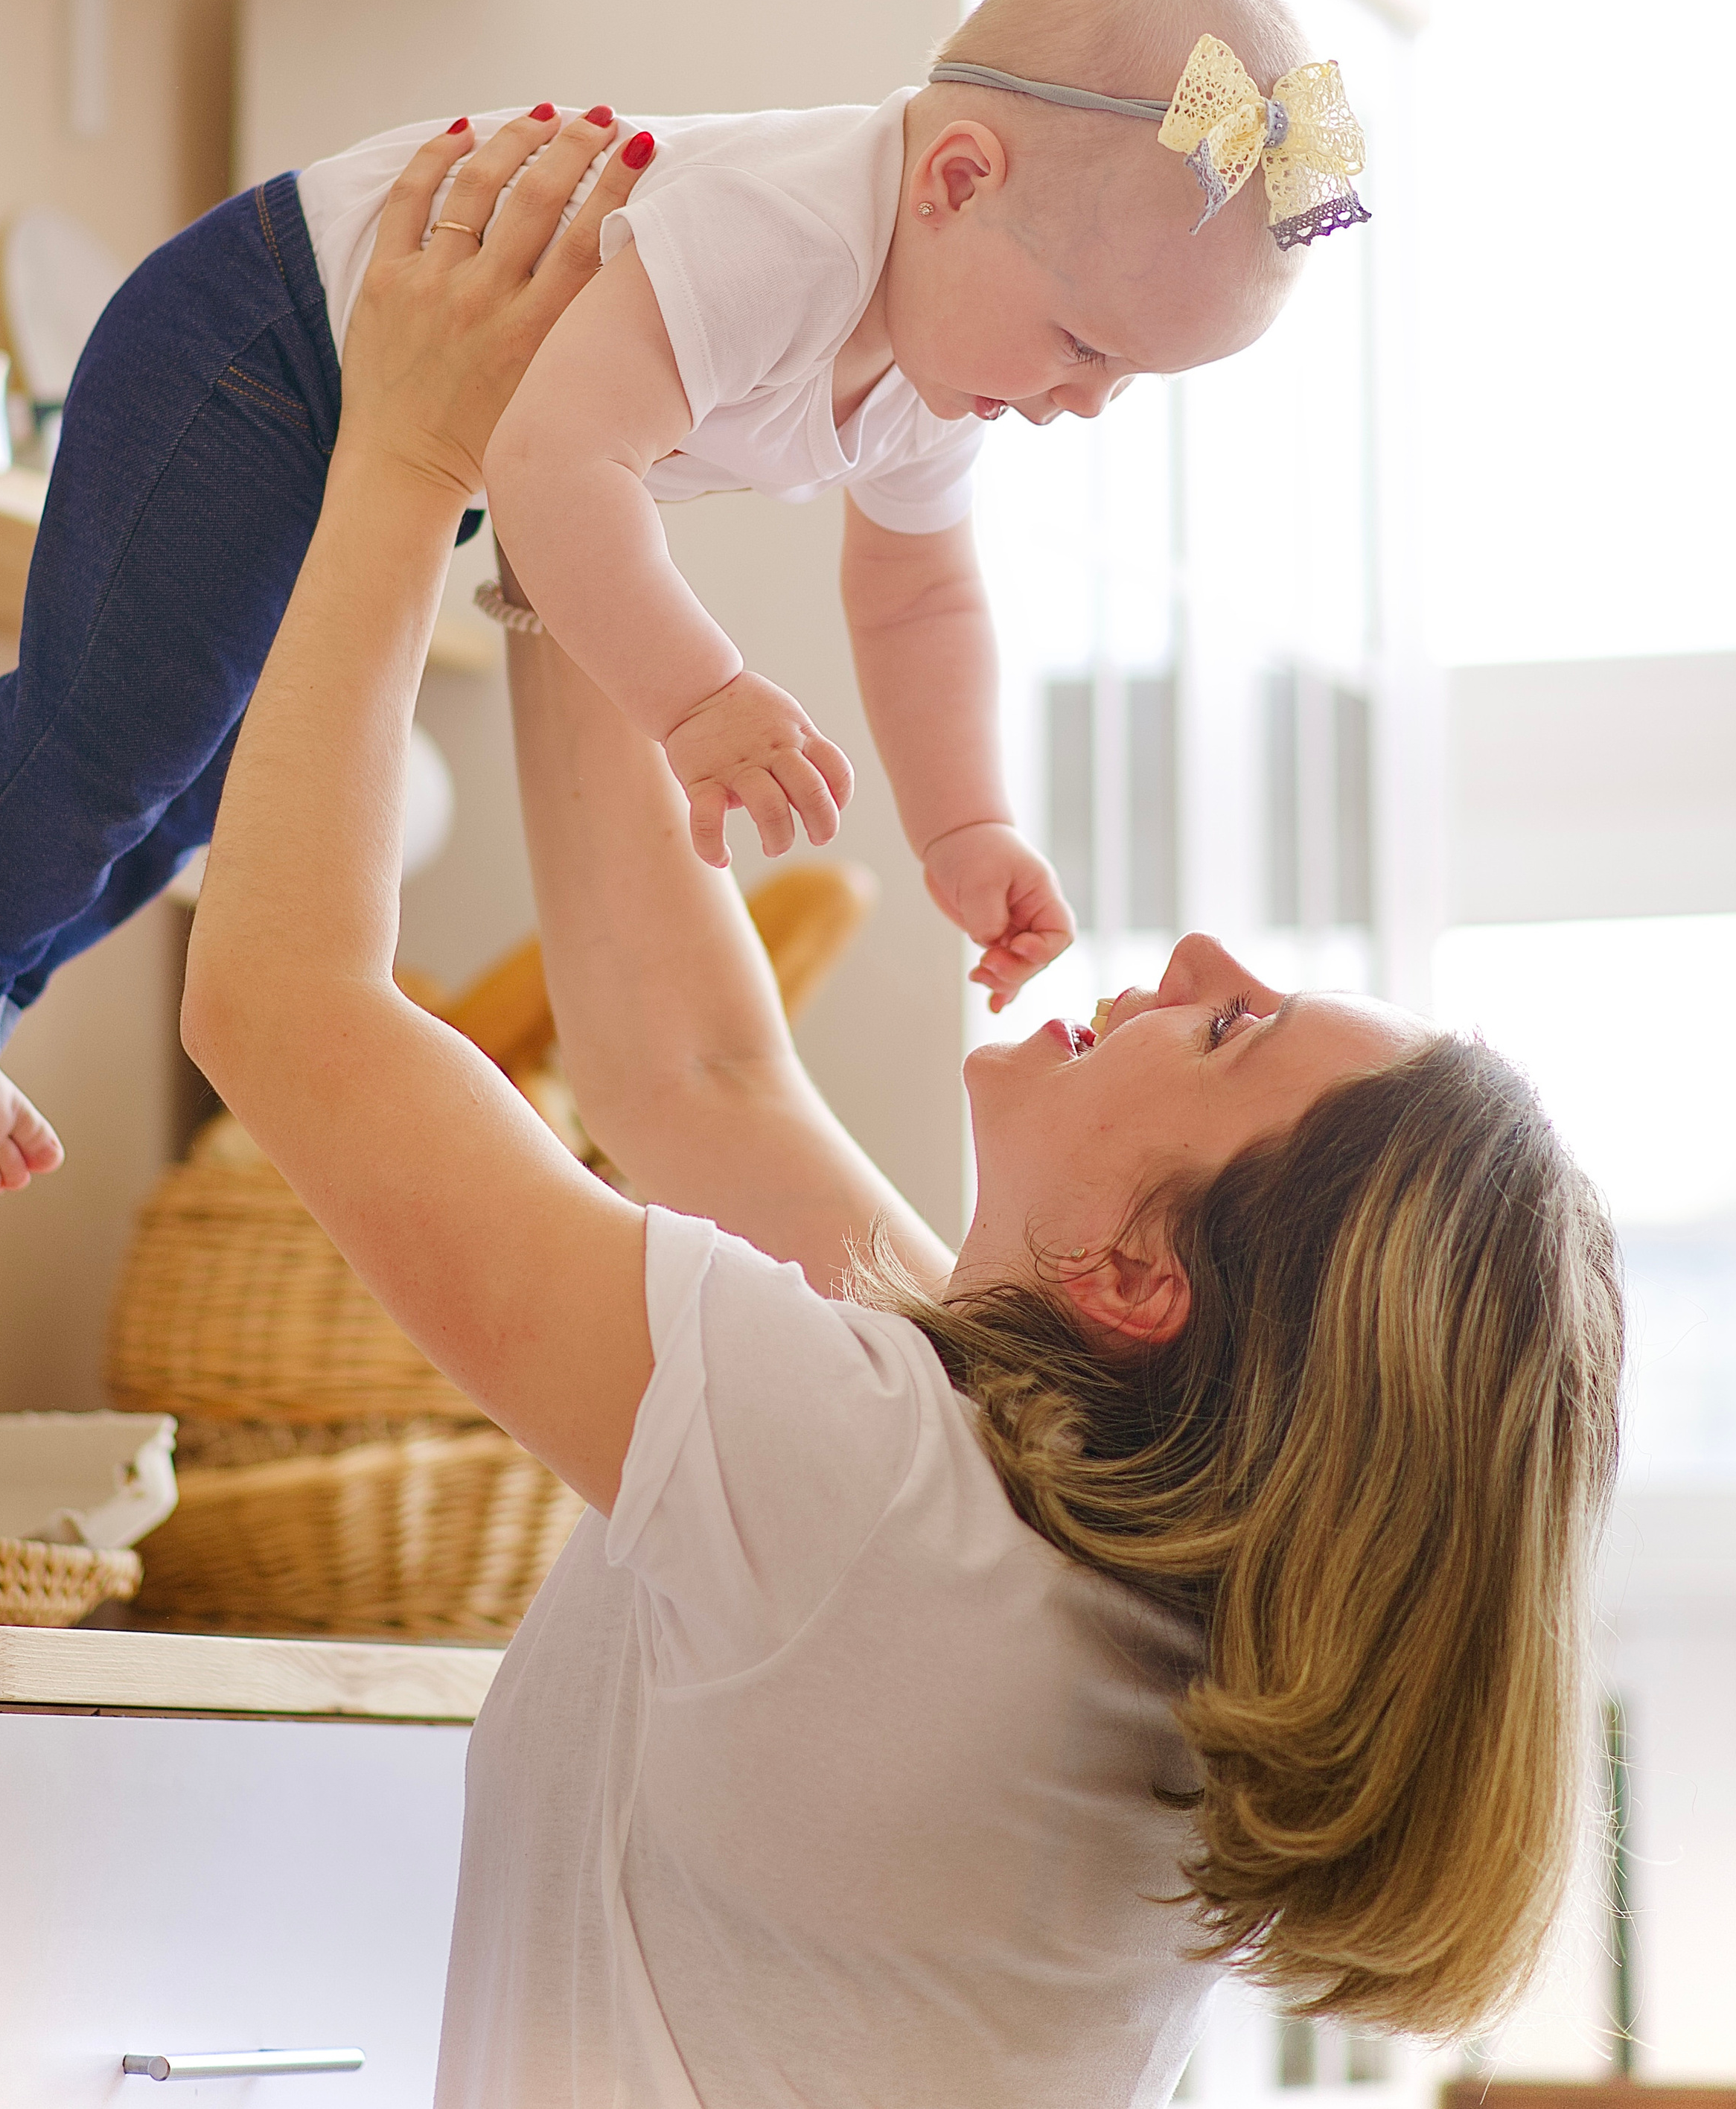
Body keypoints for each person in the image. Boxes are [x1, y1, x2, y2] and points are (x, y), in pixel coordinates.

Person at [179, 127, 1623, 2109]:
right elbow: (694, 1077)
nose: (1191, 945)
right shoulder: (1060, 1583)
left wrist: (410, 459)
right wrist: (572, 507)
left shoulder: (880, 1514)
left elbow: (286, 1010)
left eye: (1225, 1027)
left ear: (1140, 1274)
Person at [0, 0, 1365, 1210]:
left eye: (1130, 381)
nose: (1084, 400)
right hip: (266, 336)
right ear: (955, 182)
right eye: (1085, 344)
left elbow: (920, 598)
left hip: (375, 408)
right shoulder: (779, 231)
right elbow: (554, 471)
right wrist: (695, 701)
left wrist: (963, 827)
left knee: (206, 778)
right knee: (124, 721)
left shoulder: (932, 369)